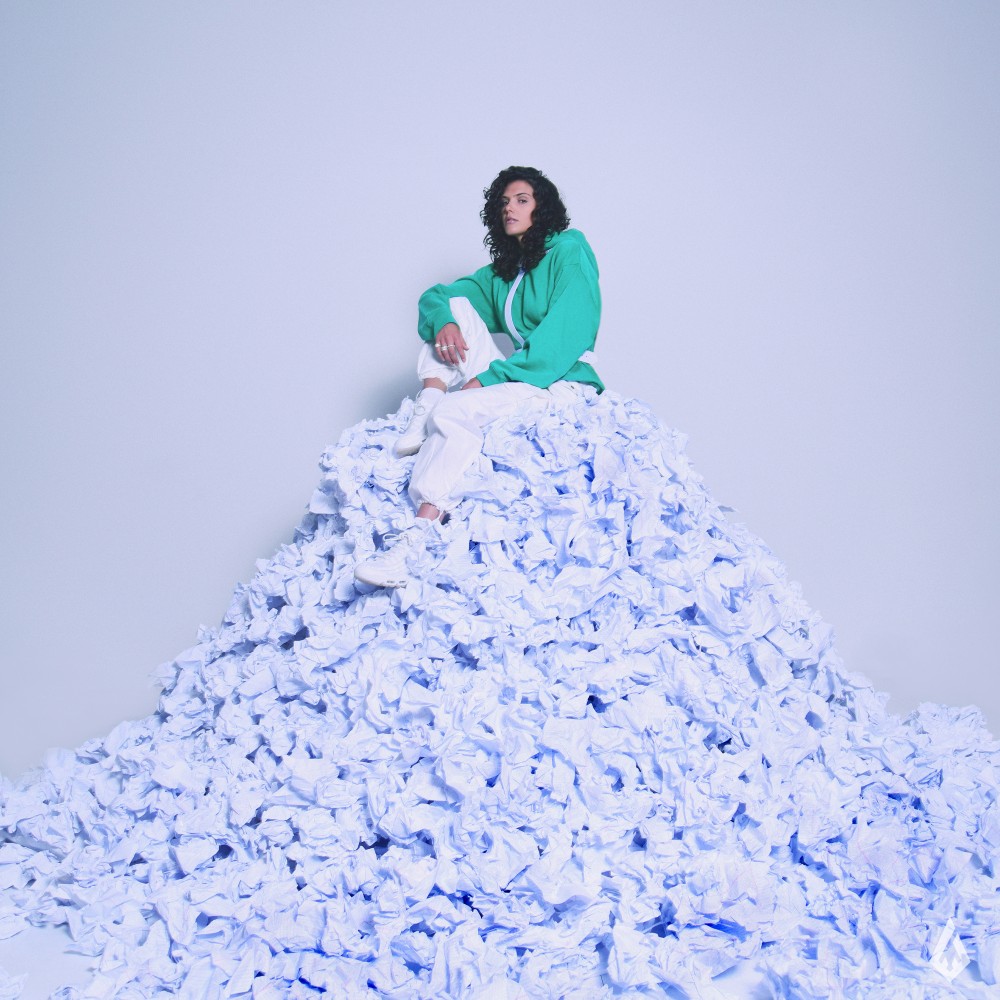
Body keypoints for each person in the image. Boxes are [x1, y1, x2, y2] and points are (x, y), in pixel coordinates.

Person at [354, 166, 604, 588]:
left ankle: (415, 540)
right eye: (504, 202)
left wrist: (490, 378)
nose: (510, 209)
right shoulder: (505, 273)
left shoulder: (569, 249)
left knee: (455, 412)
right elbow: (435, 296)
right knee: (453, 310)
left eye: (522, 200)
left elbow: (563, 339)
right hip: (521, 375)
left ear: (542, 208)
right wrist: (444, 322)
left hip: (560, 382)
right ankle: (427, 404)